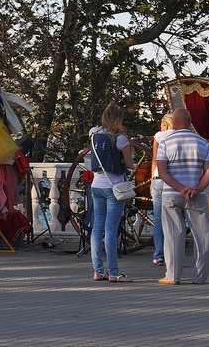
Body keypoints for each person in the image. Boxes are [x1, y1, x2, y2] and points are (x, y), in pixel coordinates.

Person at [156, 108, 209, 285]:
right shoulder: (203, 143)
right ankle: (199, 277)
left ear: (173, 122)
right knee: (203, 236)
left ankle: (173, 276)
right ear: (190, 121)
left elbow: (162, 172)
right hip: (197, 194)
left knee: (173, 234)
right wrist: (195, 189)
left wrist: (181, 189)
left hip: (171, 194)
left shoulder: (166, 142)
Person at [89, 102, 135, 283]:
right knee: (110, 229)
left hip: (96, 185)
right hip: (114, 187)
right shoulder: (120, 138)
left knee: (97, 228)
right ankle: (114, 272)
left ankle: (98, 271)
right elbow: (130, 164)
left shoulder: (93, 135)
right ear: (119, 119)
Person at [150, 113, 175, 266]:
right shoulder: (180, 136)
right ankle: (173, 254)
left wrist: (152, 180)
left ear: (165, 125)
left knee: (158, 220)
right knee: (174, 219)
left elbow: (154, 159)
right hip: (173, 180)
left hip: (159, 179)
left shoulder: (159, 136)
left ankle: (158, 255)